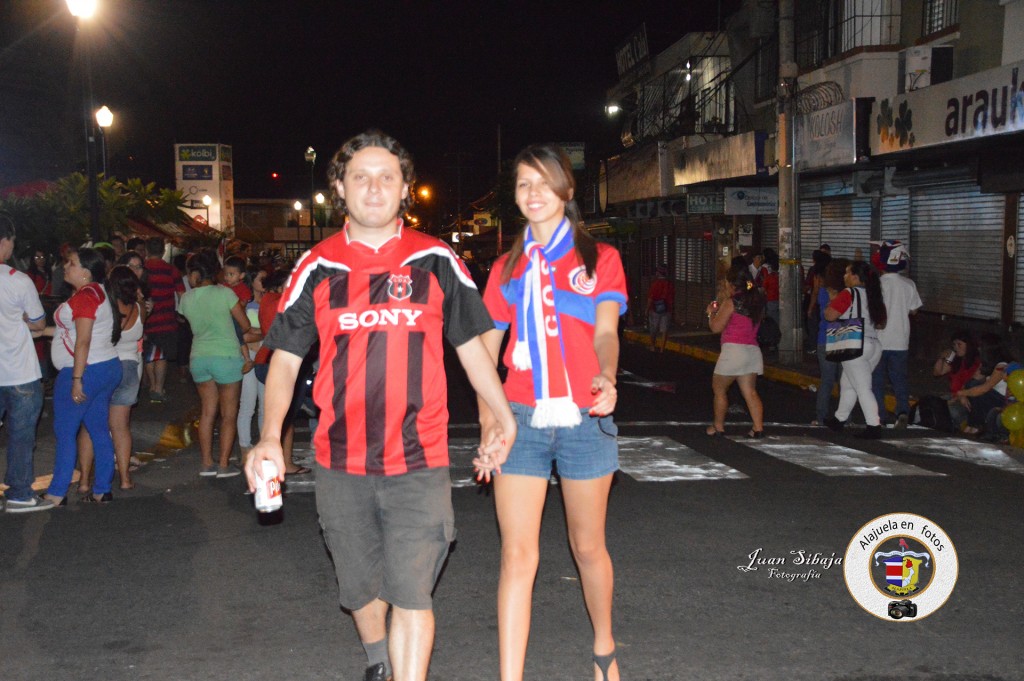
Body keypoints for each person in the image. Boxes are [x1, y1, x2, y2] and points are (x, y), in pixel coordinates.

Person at [244, 130, 516, 681]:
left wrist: (502, 415)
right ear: (339, 188)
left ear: (405, 189)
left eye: (387, 177)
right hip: (340, 459)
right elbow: (287, 361)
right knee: (359, 587)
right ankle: (377, 661)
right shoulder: (316, 267)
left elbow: (471, 347)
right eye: (361, 177)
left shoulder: (435, 259)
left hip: (420, 456)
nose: (374, 187)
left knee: (413, 590)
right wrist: (270, 436)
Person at [478, 143, 627, 681]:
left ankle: (604, 646)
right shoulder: (505, 268)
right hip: (521, 415)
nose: (533, 193)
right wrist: (491, 424)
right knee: (518, 557)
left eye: (543, 182)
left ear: (566, 190)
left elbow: (606, 332)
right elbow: (485, 354)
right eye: (523, 184)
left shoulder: (600, 259)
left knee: (587, 546)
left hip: (586, 416)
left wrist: (606, 376)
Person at [43, 248, 123, 506]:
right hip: (106, 367)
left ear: (86, 272)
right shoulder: (98, 291)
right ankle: (102, 488)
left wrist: (77, 379)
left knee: (65, 431)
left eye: (72, 263)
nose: (66, 266)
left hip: (86, 370)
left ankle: (57, 492)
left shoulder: (85, 297)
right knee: (98, 428)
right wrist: (40, 330)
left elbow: (83, 340)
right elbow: (77, 331)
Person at [178, 252, 252, 478]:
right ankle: (223, 465)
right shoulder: (225, 294)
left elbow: (185, 321)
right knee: (229, 414)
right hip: (227, 357)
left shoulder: (186, 299)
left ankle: (206, 463)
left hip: (199, 358)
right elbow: (246, 325)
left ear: (196, 273)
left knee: (208, 413)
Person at [76, 264, 147, 491]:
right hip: (130, 368)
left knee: (90, 426)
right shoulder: (139, 308)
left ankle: (85, 480)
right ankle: (125, 479)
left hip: (106, 367)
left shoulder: (106, 307)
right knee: (120, 426)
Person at [0, 218, 52, 512]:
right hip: (19, 370)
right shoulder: (18, 280)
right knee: (21, 435)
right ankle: (19, 493)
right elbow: (38, 323)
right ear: (4, 241)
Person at [823, 260, 888, 439]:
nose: (844, 277)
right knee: (848, 384)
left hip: (854, 344)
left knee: (862, 388)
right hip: (874, 345)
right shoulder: (873, 294)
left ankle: (874, 425)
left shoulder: (848, 293)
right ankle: (839, 419)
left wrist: (831, 301)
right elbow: (882, 322)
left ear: (855, 277)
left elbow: (830, 315)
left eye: (847, 273)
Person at [705, 264, 766, 439]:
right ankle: (757, 427)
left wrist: (711, 313)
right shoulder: (755, 300)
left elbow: (716, 327)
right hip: (752, 351)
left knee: (719, 389)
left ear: (731, 283)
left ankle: (718, 427)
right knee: (750, 391)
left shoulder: (731, 302)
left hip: (733, 351)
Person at [870, 241, 922, 428]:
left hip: (878, 340)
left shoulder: (875, 285)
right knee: (899, 379)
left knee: (877, 381)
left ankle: (880, 416)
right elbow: (914, 310)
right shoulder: (909, 284)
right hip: (900, 341)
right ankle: (902, 411)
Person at [142, 237, 184, 402]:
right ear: (163, 251)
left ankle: (153, 385)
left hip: (146, 318)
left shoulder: (143, 269)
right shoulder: (171, 270)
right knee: (162, 355)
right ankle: (158, 387)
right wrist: (180, 313)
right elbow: (181, 294)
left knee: (149, 352)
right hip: (166, 319)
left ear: (146, 250)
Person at [813, 258, 849, 425]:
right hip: (844, 338)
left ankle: (821, 417)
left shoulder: (823, 291)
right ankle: (843, 417)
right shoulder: (849, 293)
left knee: (827, 380)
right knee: (845, 381)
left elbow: (823, 313)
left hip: (825, 338)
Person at [932, 329, 980, 429]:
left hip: (966, 398)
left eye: (959, 344)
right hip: (954, 395)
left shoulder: (976, 361)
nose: (956, 348)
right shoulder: (956, 360)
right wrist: (942, 358)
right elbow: (938, 372)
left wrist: (960, 396)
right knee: (933, 404)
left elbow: (973, 382)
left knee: (951, 411)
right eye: (954, 345)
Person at [646, 263, 673, 352]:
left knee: (653, 328)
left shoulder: (655, 284)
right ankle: (662, 349)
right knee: (664, 329)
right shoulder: (669, 284)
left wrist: (647, 309)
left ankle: (653, 346)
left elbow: (651, 298)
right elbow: (672, 298)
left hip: (655, 309)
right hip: (667, 309)